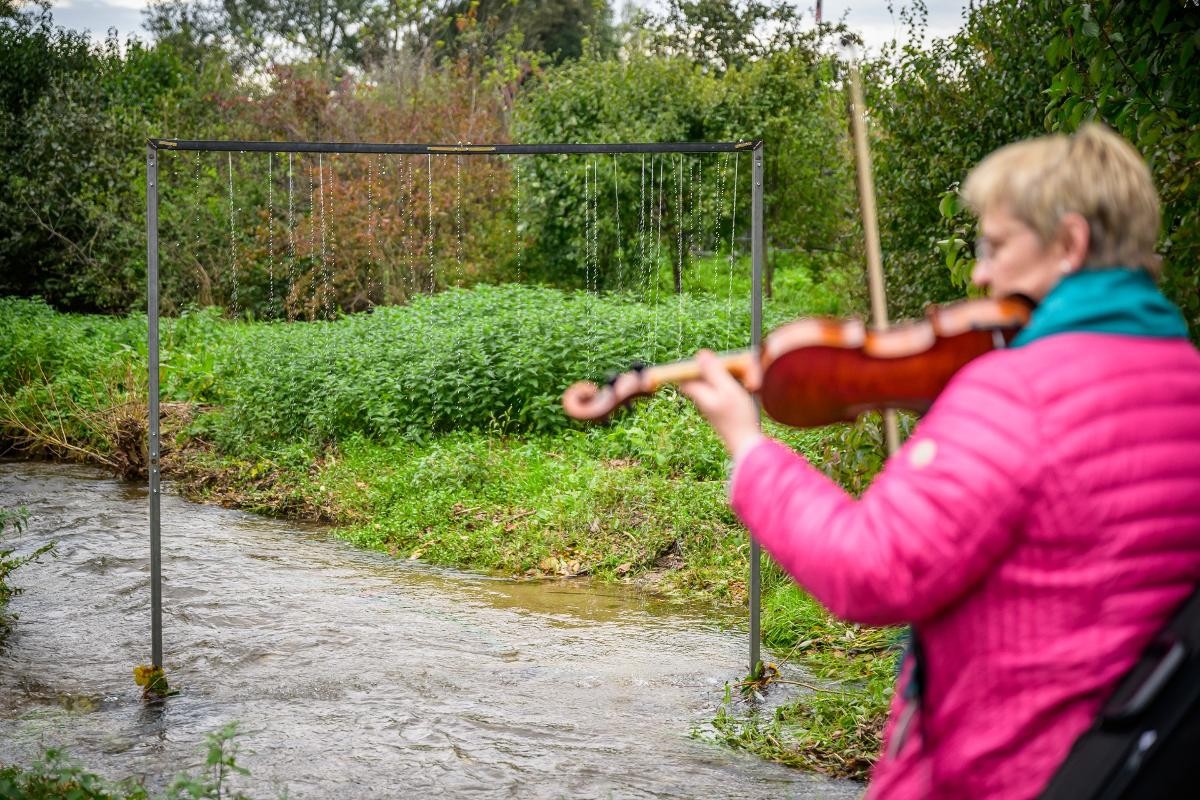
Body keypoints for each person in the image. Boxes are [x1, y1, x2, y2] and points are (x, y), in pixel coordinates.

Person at [679, 123, 1200, 799]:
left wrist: (748, 449)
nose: (981, 272)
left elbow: (866, 570)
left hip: (1003, 772)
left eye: (996, 244)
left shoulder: (1016, 393)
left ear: (1069, 244)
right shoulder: (1184, 378)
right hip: (1128, 764)